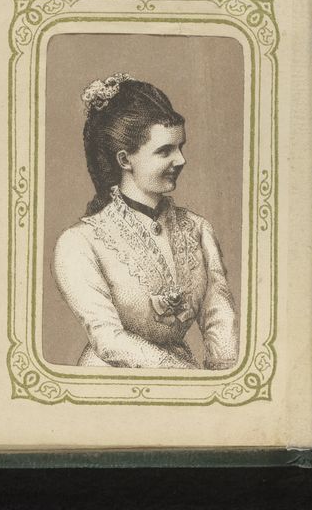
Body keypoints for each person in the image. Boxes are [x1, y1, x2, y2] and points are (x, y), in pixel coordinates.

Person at [52, 73, 239, 370]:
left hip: (189, 381)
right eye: (165, 151)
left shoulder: (198, 229)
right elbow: (107, 338)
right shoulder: (79, 242)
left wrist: (223, 376)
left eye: (180, 147)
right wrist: (181, 374)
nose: (181, 160)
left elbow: (219, 313)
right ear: (125, 160)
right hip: (110, 379)